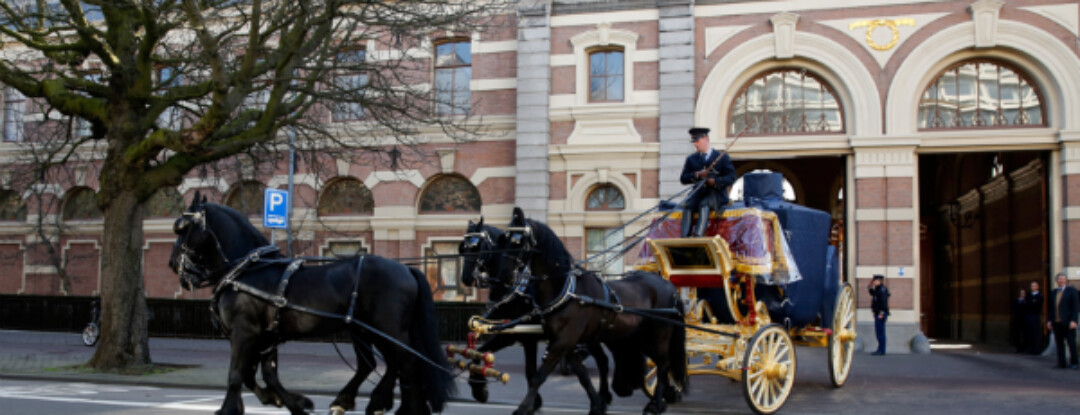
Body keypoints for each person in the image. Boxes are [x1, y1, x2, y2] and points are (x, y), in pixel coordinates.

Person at [678, 127, 736, 237]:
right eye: (694, 141)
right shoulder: (691, 159)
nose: (695, 144)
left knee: (704, 204)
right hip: (699, 193)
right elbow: (683, 179)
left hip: (716, 194)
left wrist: (715, 181)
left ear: (705, 138)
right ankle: (684, 237)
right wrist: (697, 174)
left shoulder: (722, 157)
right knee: (688, 205)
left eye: (697, 141)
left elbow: (732, 177)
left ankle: (699, 237)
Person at [1046, 272, 1079, 369]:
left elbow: (1076, 307)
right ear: (1056, 281)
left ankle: (1074, 362)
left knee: (1071, 342)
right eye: (1059, 279)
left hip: (1068, 322)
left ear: (1066, 280)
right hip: (1057, 322)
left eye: (1063, 279)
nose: (1061, 280)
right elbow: (1051, 308)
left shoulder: (1072, 291)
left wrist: (1074, 320)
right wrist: (1049, 320)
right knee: (1059, 343)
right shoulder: (1053, 292)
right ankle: (1061, 363)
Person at [869, 275, 890, 355]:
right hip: (877, 313)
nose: (874, 282)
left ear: (879, 281)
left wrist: (881, 313)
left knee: (880, 333)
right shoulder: (878, 289)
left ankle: (881, 350)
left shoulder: (882, 290)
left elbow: (884, 303)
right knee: (879, 332)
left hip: (880, 314)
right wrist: (870, 286)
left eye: (875, 280)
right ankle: (880, 349)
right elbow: (872, 293)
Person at [1024, 281, 1044, 355]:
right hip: (1028, 316)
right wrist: (1032, 303)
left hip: (1035, 316)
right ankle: (1030, 348)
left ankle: (1037, 349)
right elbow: (1026, 304)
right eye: (1031, 286)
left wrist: (1031, 303)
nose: (1033, 287)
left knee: (1036, 333)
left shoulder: (1040, 296)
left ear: (1037, 287)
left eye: (1034, 286)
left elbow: (1037, 305)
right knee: (1029, 333)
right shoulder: (1028, 295)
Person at [1013, 288, 1027, 353]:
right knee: (1017, 334)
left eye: (1023, 293)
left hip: (1025, 320)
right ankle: (1018, 348)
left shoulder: (1027, 301)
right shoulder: (1016, 301)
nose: (1022, 294)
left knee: (1025, 334)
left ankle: (1024, 347)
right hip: (1017, 320)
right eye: (1021, 293)